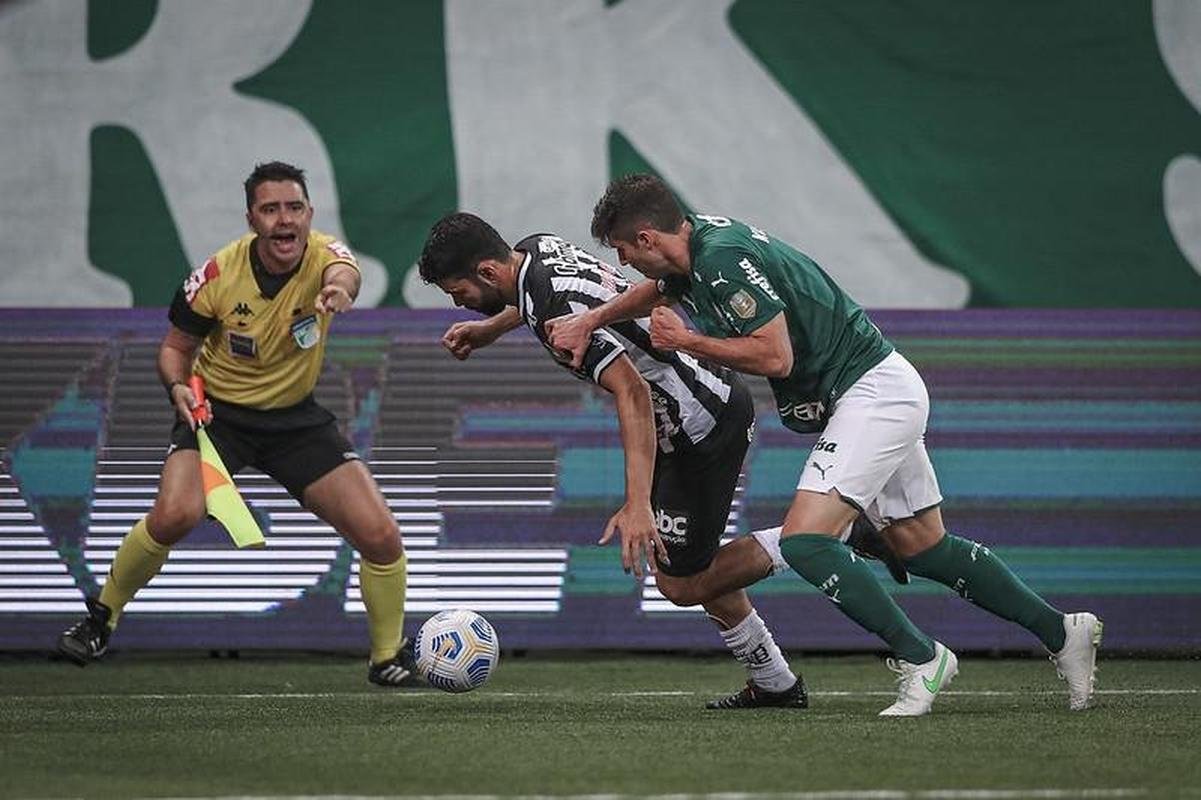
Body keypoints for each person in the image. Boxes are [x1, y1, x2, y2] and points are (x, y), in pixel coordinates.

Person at [548, 174, 1103, 715]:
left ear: (648, 239)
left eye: (623, 250)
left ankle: (923, 657)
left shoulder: (718, 260)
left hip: (871, 395)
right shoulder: (700, 246)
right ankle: (1062, 631)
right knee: (922, 546)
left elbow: (776, 358)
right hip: (877, 388)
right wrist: (594, 318)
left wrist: (688, 341)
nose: (623, 265)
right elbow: (658, 289)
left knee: (807, 542)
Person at [419, 212, 807, 709]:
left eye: (458, 292)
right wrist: (491, 328)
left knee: (682, 581)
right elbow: (546, 303)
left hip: (699, 422)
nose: (459, 304)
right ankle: (774, 680)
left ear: (488, 272)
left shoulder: (548, 304)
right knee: (694, 559)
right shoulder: (536, 248)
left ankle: (821, 535)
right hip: (693, 411)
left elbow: (633, 392)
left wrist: (637, 502)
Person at [56, 161, 417, 687]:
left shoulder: (324, 257)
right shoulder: (218, 276)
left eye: (294, 208)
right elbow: (175, 350)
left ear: (309, 214)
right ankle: (100, 619)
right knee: (175, 514)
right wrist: (177, 387)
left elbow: (347, 273)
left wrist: (339, 292)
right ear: (252, 219)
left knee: (381, 535)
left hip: (297, 423)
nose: (284, 220)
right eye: (270, 209)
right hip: (218, 419)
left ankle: (386, 659)